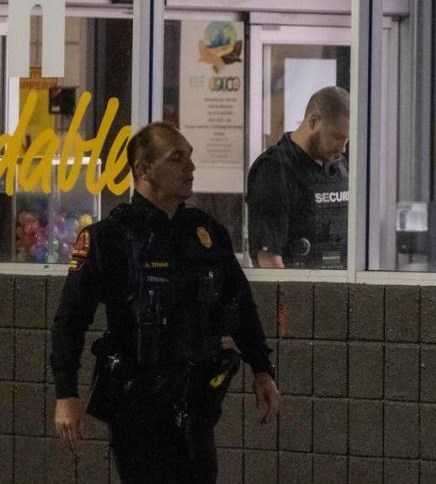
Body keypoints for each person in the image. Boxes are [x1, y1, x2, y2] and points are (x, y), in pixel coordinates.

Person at [50, 122, 281, 484]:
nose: (190, 167)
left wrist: (262, 369)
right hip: (138, 404)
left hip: (196, 402)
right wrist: (66, 394)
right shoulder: (108, 238)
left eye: (190, 157)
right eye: (177, 159)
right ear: (144, 170)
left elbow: (239, 302)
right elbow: (70, 321)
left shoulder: (205, 233)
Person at [247, 86, 350, 268]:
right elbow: (268, 260)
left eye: (346, 140)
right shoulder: (275, 169)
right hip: (300, 291)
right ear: (313, 122)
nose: (342, 148)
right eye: (336, 137)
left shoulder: (341, 168)